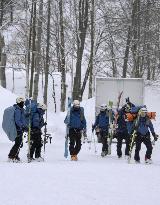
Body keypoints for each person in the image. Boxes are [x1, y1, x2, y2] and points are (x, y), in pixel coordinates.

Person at [8, 97, 26, 162]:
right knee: (18, 143)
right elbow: (17, 121)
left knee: (18, 143)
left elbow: (22, 119)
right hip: (17, 129)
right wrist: (22, 126)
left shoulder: (20, 109)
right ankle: (12, 156)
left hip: (19, 128)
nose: (23, 104)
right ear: (19, 102)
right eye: (22, 102)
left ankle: (14, 156)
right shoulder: (18, 110)